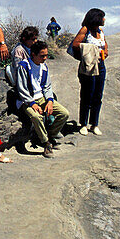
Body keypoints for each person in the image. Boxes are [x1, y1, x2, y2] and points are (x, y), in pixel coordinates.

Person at [12, 41, 70, 157]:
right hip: (27, 100)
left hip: (42, 98)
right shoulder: (24, 66)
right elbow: (22, 89)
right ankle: (45, 142)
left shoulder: (44, 67)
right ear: (33, 54)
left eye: (46, 55)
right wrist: (32, 103)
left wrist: (49, 100)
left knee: (64, 113)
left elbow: (47, 86)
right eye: (42, 55)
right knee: (36, 117)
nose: (45, 58)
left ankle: (49, 135)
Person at [72, 8, 108, 136]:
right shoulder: (85, 30)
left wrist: (104, 52)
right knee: (87, 95)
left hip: (100, 65)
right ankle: (83, 124)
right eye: (102, 17)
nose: (104, 19)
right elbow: (75, 45)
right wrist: (91, 49)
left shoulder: (101, 32)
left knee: (98, 96)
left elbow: (105, 46)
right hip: (88, 66)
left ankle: (94, 124)